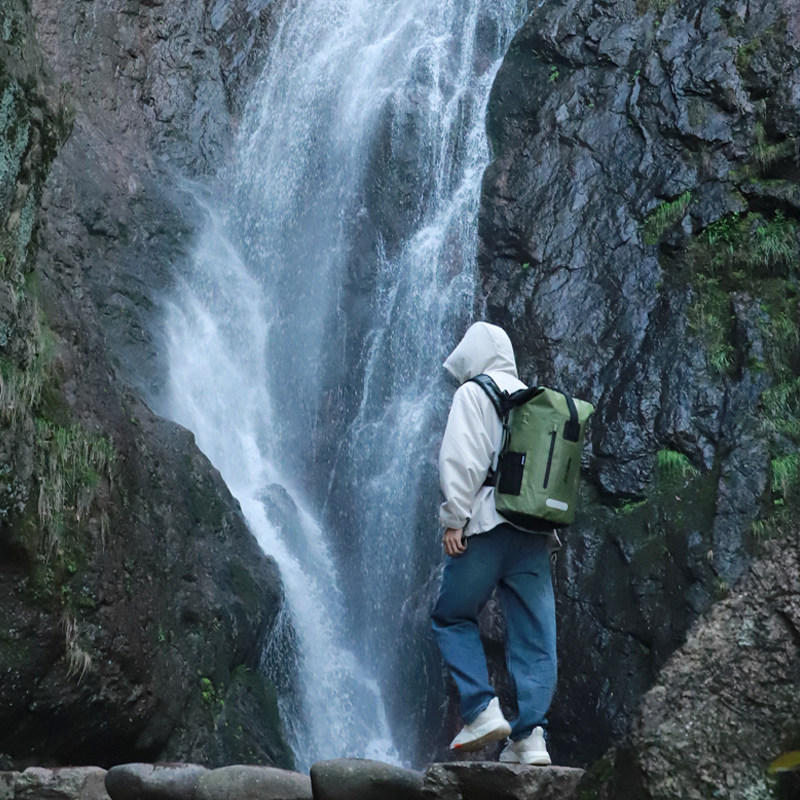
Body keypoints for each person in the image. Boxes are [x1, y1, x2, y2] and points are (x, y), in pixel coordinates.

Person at [431, 321, 556, 766]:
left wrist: (454, 520)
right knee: (535, 636)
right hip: (535, 533)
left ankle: (481, 710)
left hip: (485, 524)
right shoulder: (538, 400)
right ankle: (530, 737)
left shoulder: (475, 393)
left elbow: (463, 460)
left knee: (451, 616)